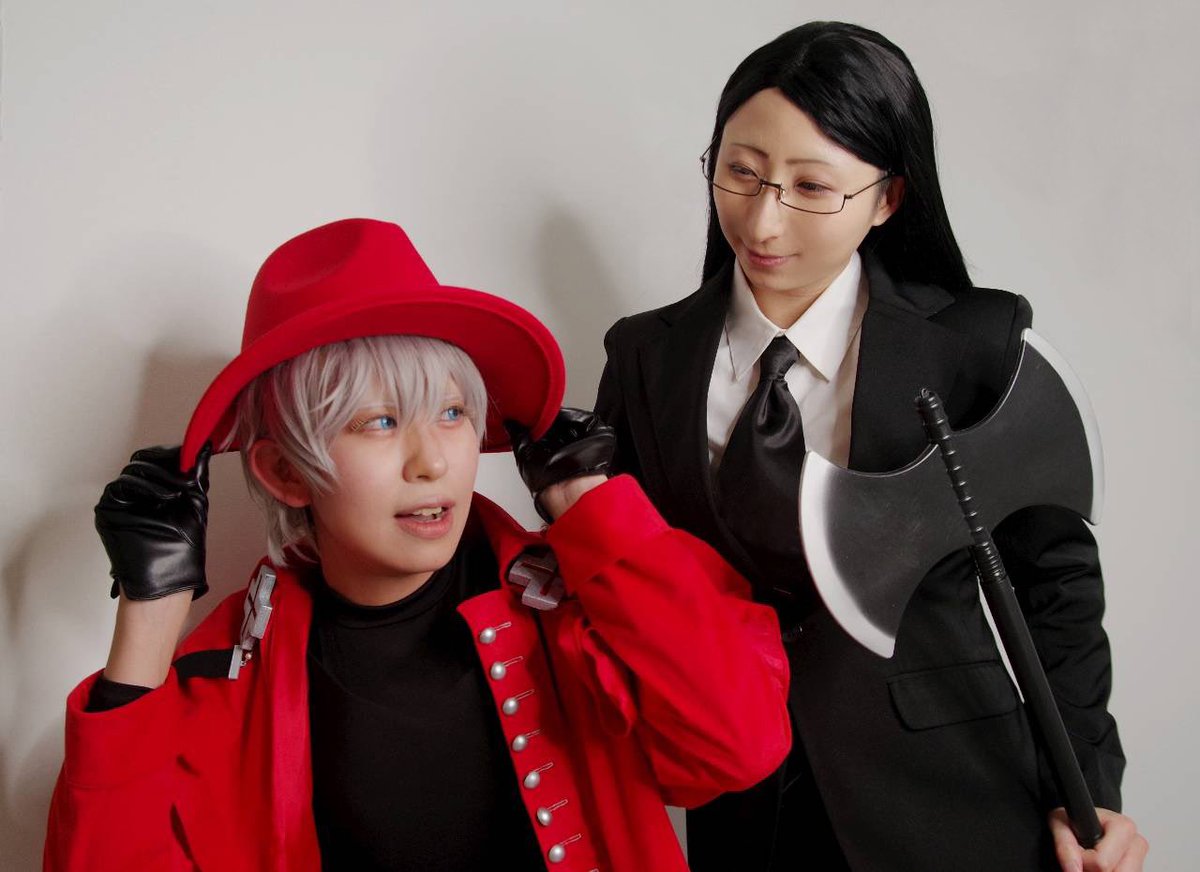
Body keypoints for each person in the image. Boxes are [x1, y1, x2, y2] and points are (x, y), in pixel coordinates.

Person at [43, 218, 791, 871]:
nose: (433, 461)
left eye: (453, 412)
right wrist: (148, 616)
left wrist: (590, 507)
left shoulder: (580, 606)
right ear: (284, 471)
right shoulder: (229, 678)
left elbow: (741, 745)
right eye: (379, 422)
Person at [595, 21, 1147, 872]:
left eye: (812, 186)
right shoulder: (645, 354)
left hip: (955, 797)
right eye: (741, 172)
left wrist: (1092, 791)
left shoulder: (971, 343)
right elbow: (633, 580)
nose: (764, 218)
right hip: (742, 806)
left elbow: (1056, 587)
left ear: (888, 198)